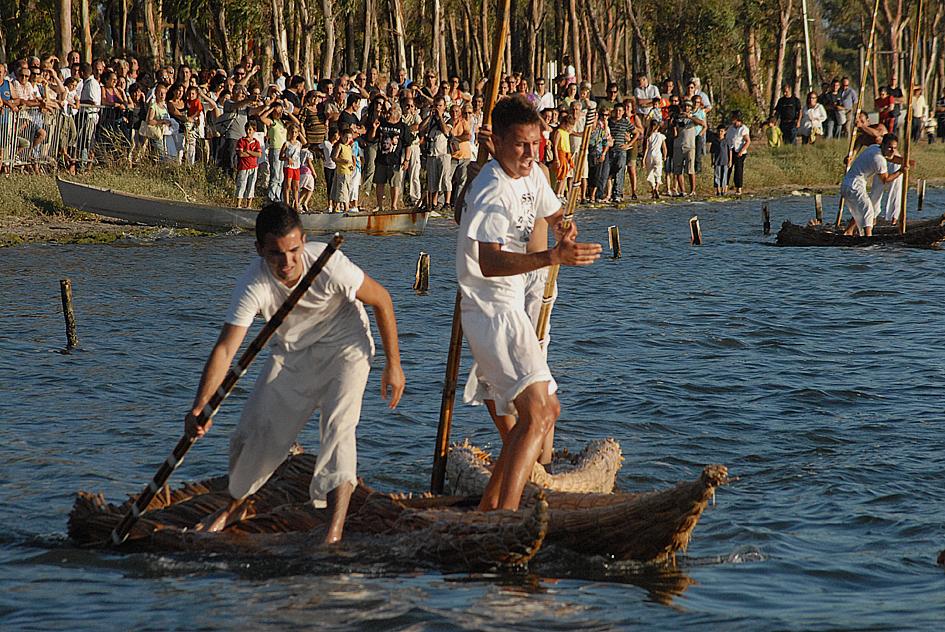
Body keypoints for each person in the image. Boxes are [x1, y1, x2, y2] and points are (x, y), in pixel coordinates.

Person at [184, 202, 404, 544]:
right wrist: (200, 406)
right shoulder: (252, 284)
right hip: (292, 354)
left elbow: (382, 299)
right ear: (259, 250)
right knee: (254, 431)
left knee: (338, 429)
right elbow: (226, 349)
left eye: (293, 251)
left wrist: (394, 365)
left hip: (347, 348)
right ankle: (234, 506)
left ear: (304, 240)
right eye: (275, 254)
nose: (286, 263)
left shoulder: (330, 265)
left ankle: (333, 533)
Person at [455, 94, 601, 512]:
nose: (529, 153)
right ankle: (507, 515)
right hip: (490, 311)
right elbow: (489, 260)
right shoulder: (490, 188)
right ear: (497, 142)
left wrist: (564, 228)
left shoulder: (533, 173)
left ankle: (491, 508)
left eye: (535, 144)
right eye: (519, 144)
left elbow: (553, 213)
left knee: (546, 409)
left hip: (512, 308)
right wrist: (551, 257)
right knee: (537, 414)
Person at [841, 134, 909, 236]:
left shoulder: (874, 147)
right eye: (890, 147)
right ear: (883, 145)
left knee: (861, 211)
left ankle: (849, 231)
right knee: (869, 211)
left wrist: (906, 161)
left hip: (848, 184)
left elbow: (890, 158)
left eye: (894, 148)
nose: (892, 150)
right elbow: (886, 179)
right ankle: (869, 238)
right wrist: (901, 171)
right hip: (854, 186)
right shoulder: (878, 159)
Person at [234, 120, 262, 208]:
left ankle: (248, 205)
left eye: (250, 130)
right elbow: (241, 154)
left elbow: (259, 154)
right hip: (243, 166)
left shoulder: (256, 142)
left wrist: (249, 151)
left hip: (253, 166)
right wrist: (252, 154)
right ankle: (238, 204)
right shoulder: (241, 141)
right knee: (241, 184)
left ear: (254, 130)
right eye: (247, 129)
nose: (248, 131)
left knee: (251, 185)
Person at [724, 110, 751, 195]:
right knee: (728, 169)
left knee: (738, 170)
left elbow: (748, 141)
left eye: (734, 118)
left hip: (740, 152)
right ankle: (725, 186)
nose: (732, 119)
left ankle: (738, 188)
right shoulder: (730, 128)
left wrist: (741, 151)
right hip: (730, 151)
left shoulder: (743, 129)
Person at [280, 122, 303, 209]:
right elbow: (280, 156)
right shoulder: (286, 143)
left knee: (296, 186)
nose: (293, 134)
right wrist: (287, 158)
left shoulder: (298, 143)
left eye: (295, 132)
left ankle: (296, 204)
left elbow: (305, 141)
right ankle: (287, 203)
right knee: (288, 185)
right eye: (292, 132)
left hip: (296, 166)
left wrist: (299, 132)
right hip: (288, 166)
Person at [643, 118, 666, 198]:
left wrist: (643, 159)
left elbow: (646, 149)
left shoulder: (648, 136)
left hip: (650, 155)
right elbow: (664, 148)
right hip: (658, 155)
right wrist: (665, 156)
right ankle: (657, 188)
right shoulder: (661, 136)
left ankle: (653, 188)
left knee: (650, 173)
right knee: (658, 173)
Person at [709, 124, 729, 196]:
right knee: (717, 176)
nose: (720, 132)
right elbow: (712, 152)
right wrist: (712, 161)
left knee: (724, 175)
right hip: (717, 161)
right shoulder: (714, 141)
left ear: (725, 132)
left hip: (725, 161)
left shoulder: (726, 141)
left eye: (722, 131)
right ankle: (718, 190)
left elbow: (730, 151)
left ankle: (724, 190)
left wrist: (730, 161)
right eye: (719, 131)